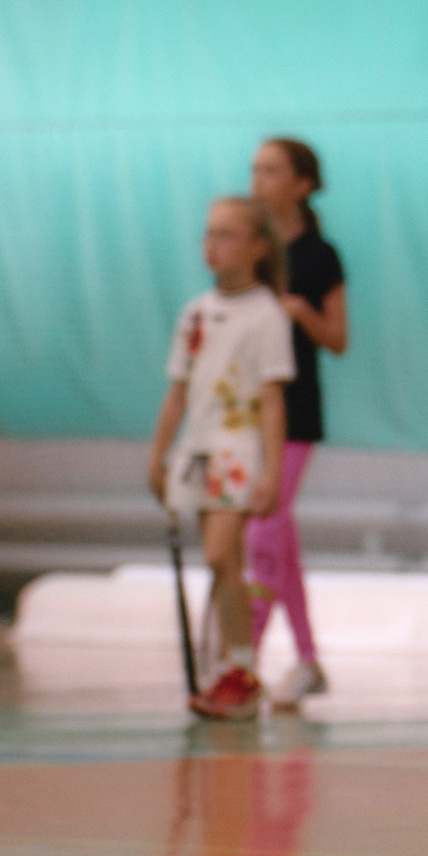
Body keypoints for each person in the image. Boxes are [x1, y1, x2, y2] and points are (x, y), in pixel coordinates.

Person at [148, 196, 295, 722]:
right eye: (209, 234)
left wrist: (272, 471)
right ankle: (236, 669)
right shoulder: (195, 312)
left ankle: (241, 668)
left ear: (258, 247)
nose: (213, 245)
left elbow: (273, 400)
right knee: (225, 564)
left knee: (217, 556)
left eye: (227, 235)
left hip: (239, 450)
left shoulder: (267, 315)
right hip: (198, 450)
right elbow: (178, 391)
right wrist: (159, 454)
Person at [246, 137, 346, 708]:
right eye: (255, 170)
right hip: (249, 412)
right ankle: (308, 661)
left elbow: (338, 338)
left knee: (264, 531)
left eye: (271, 171)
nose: (258, 181)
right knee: (278, 541)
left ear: (302, 184)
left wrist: (302, 311)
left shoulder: (319, 256)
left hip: (296, 412)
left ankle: (243, 661)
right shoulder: (254, 251)